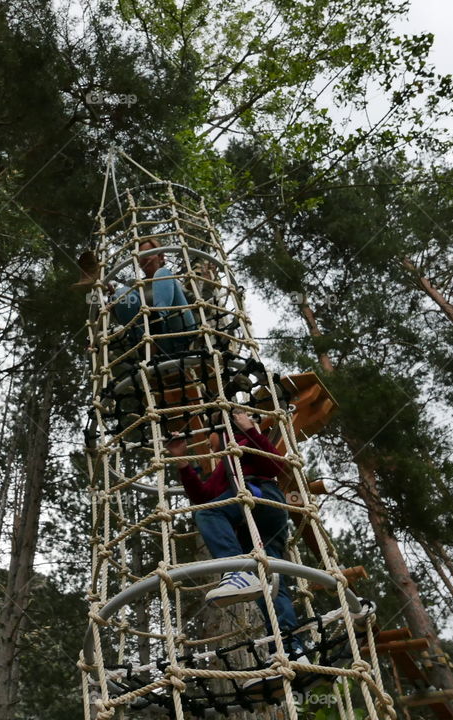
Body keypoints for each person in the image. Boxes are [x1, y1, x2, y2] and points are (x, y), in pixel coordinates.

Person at [166, 410, 303, 668]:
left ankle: (237, 571)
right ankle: (289, 649)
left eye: (210, 438)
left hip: (263, 498)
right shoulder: (221, 469)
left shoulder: (242, 445)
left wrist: (249, 429)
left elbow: (276, 465)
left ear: (223, 433)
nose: (208, 444)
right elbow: (203, 497)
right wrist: (183, 462)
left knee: (211, 513)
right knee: (271, 583)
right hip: (249, 525)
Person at [112, 239, 197, 355]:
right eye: (141, 255)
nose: (144, 257)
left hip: (179, 331)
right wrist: (112, 299)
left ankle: (159, 318)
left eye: (148, 252)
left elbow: (196, 303)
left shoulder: (168, 279)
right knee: (121, 293)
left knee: (162, 274)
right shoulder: (134, 286)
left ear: (161, 257)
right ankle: (146, 341)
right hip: (152, 340)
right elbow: (124, 314)